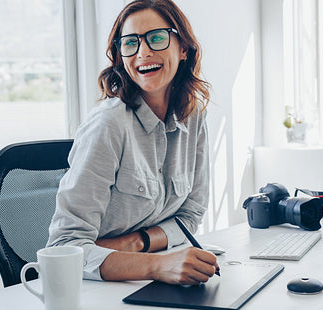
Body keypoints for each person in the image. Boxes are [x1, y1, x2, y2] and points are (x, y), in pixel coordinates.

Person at [47, 0, 217, 285]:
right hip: (93, 290)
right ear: (120, 55)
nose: (143, 52)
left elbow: (190, 216)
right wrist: (157, 265)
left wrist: (135, 244)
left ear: (183, 48)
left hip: (140, 281)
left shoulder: (194, 115)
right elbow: (64, 248)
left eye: (157, 38)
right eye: (130, 43)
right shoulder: (108, 125)